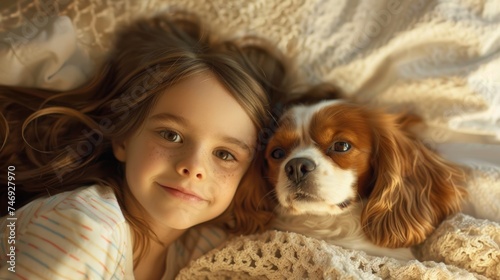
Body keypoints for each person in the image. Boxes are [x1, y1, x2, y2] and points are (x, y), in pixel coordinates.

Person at [0, 12, 289, 279]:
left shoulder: (205, 248)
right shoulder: (83, 231)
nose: (194, 167)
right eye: (171, 135)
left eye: (225, 154)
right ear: (122, 139)